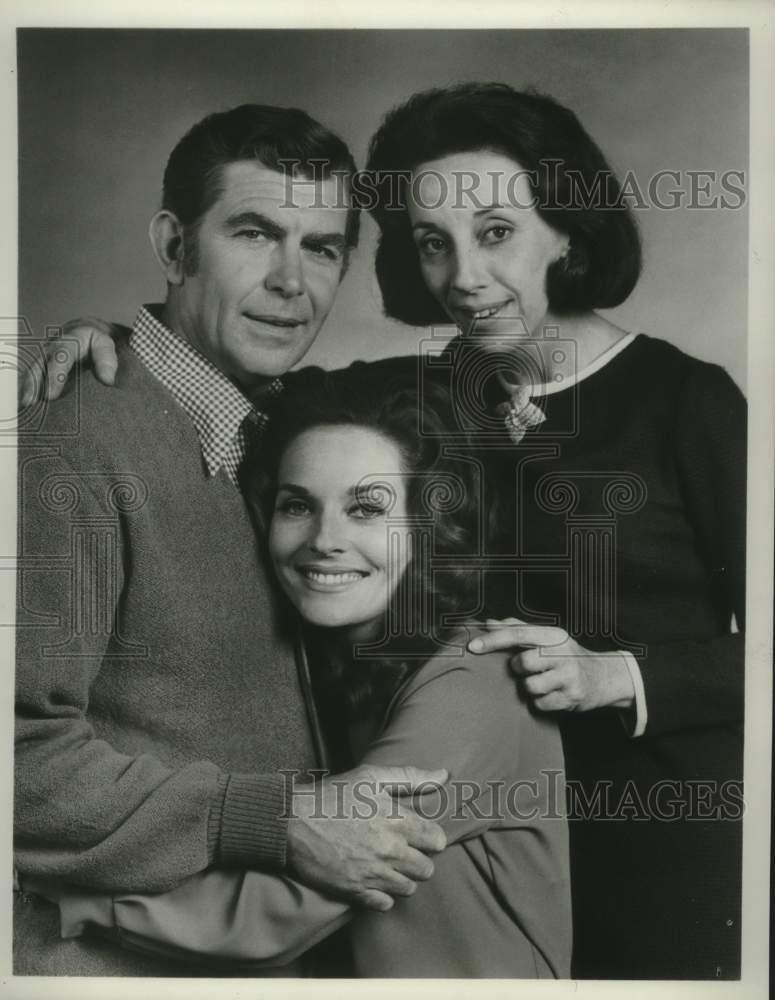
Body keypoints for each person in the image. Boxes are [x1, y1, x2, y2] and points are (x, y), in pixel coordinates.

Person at [30, 82, 746, 980]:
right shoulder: (417, 398)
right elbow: (233, 392)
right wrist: (100, 349)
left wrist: (618, 673)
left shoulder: (687, 403)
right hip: (452, 843)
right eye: (432, 244)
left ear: (566, 229)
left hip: (651, 838)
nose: (465, 279)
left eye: (496, 234)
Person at [14, 103, 449, 977]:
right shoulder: (72, 439)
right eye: (255, 233)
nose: (292, 282)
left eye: (321, 247)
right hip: (106, 966)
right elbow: (17, 752)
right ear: (175, 247)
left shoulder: (282, 426)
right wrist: (275, 818)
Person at [26, 368, 572, 978]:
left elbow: (276, 914)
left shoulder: (476, 681)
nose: (324, 540)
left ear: (428, 529)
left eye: (366, 509)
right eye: (298, 506)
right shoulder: (326, 666)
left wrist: (69, 903)